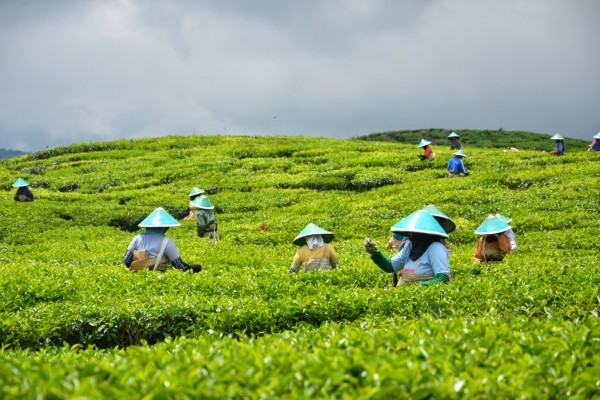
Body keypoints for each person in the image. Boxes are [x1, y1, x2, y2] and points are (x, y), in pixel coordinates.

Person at [364, 210, 451, 286]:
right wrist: (375, 253)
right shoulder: (410, 246)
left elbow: (443, 277)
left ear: (421, 233)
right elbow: (391, 266)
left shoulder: (436, 248)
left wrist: (418, 287)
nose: (409, 235)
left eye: (413, 232)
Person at [123, 207, 202, 273]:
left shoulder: (138, 238)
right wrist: (194, 267)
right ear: (166, 227)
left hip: (137, 278)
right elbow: (179, 266)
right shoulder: (168, 242)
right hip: (157, 280)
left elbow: (126, 260)